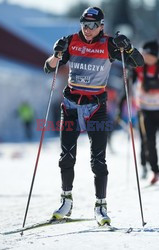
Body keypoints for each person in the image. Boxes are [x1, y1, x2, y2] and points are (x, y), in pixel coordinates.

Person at [44, 7, 144, 226]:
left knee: (98, 160)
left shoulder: (109, 44)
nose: (87, 30)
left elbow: (138, 63)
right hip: (71, 105)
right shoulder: (70, 41)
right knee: (66, 156)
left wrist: (127, 49)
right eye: (84, 24)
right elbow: (49, 68)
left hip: (96, 108)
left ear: (101, 26)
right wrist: (56, 54)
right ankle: (66, 202)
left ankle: (101, 206)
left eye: (92, 26)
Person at [133, 40, 159, 184]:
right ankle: (154, 170)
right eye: (144, 55)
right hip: (145, 110)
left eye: (149, 56)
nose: (146, 59)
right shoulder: (138, 67)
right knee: (149, 141)